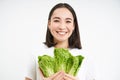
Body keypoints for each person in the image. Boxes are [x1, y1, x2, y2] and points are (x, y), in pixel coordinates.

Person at [25, 3, 95, 80]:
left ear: (73, 26)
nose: (62, 26)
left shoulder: (86, 56)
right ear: (49, 24)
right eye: (56, 20)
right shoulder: (36, 53)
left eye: (68, 21)